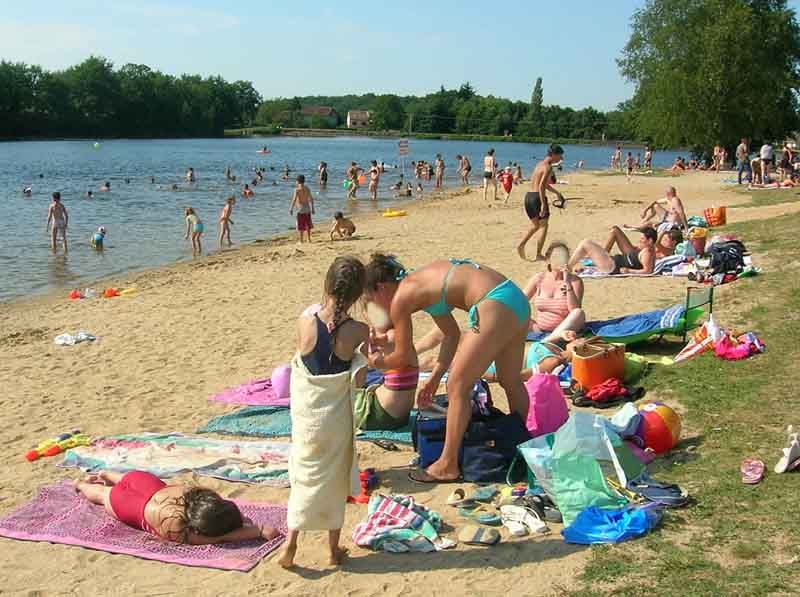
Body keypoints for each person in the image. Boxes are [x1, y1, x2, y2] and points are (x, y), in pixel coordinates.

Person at [362, 254, 530, 483]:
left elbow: (401, 356)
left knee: (458, 386)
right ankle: (521, 446)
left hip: (493, 304)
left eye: (372, 300)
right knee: (510, 381)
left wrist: (374, 362)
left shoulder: (402, 296)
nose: (378, 308)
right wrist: (435, 377)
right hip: (514, 298)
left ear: (381, 288)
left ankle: (447, 464)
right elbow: (450, 334)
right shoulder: (422, 282)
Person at [280, 257, 369, 569]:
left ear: (327, 284)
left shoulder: (306, 320)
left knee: (304, 476)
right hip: (334, 418)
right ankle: (332, 551)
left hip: (307, 415)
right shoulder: (359, 330)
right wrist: (358, 359)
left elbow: (301, 364)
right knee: (335, 478)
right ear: (359, 294)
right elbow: (359, 379)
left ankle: (290, 545)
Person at [74, 470, 278, 544]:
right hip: (129, 506)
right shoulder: (180, 529)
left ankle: (106, 474)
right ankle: (81, 485)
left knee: (124, 479)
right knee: (102, 495)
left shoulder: (196, 495)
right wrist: (257, 530)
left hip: (144, 482)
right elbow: (221, 537)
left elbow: (217, 507)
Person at [523, 242, 586, 342]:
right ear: (548, 260)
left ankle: (551, 338)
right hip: (539, 329)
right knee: (511, 314)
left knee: (579, 313)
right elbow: (519, 301)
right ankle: (548, 338)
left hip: (565, 330)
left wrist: (567, 283)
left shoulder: (575, 281)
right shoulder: (539, 278)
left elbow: (574, 310)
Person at [517, 144, 565, 261]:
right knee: (544, 226)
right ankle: (538, 254)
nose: (561, 159)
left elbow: (541, 184)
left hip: (528, 197)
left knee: (535, 225)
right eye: (560, 156)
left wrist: (556, 193)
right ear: (553, 155)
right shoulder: (548, 167)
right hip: (538, 198)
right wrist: (543, 204)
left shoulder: (539, 165)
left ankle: (521, 244)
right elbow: (542, 186)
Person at [568, 227, 658, 275]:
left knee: (586, 243)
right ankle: (570, 266)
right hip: (611, 263)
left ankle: (568, 267)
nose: (640, 240)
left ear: (650, 241)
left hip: (612, 266)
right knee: (587, 248)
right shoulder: (645, 249)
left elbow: (648, 271)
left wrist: (630, 271)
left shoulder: (648, 252)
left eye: (642, 238)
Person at [289, 174, 314, 243]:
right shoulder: (307, 188)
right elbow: (311, 199)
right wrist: (313, 208)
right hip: (307, 208)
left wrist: (291, 208)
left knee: (301, 225)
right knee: (308, 224)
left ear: (297, 181)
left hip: (300, 209)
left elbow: (294, 199)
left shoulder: (297, 189)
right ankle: (309, 239)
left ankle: (301, 240)